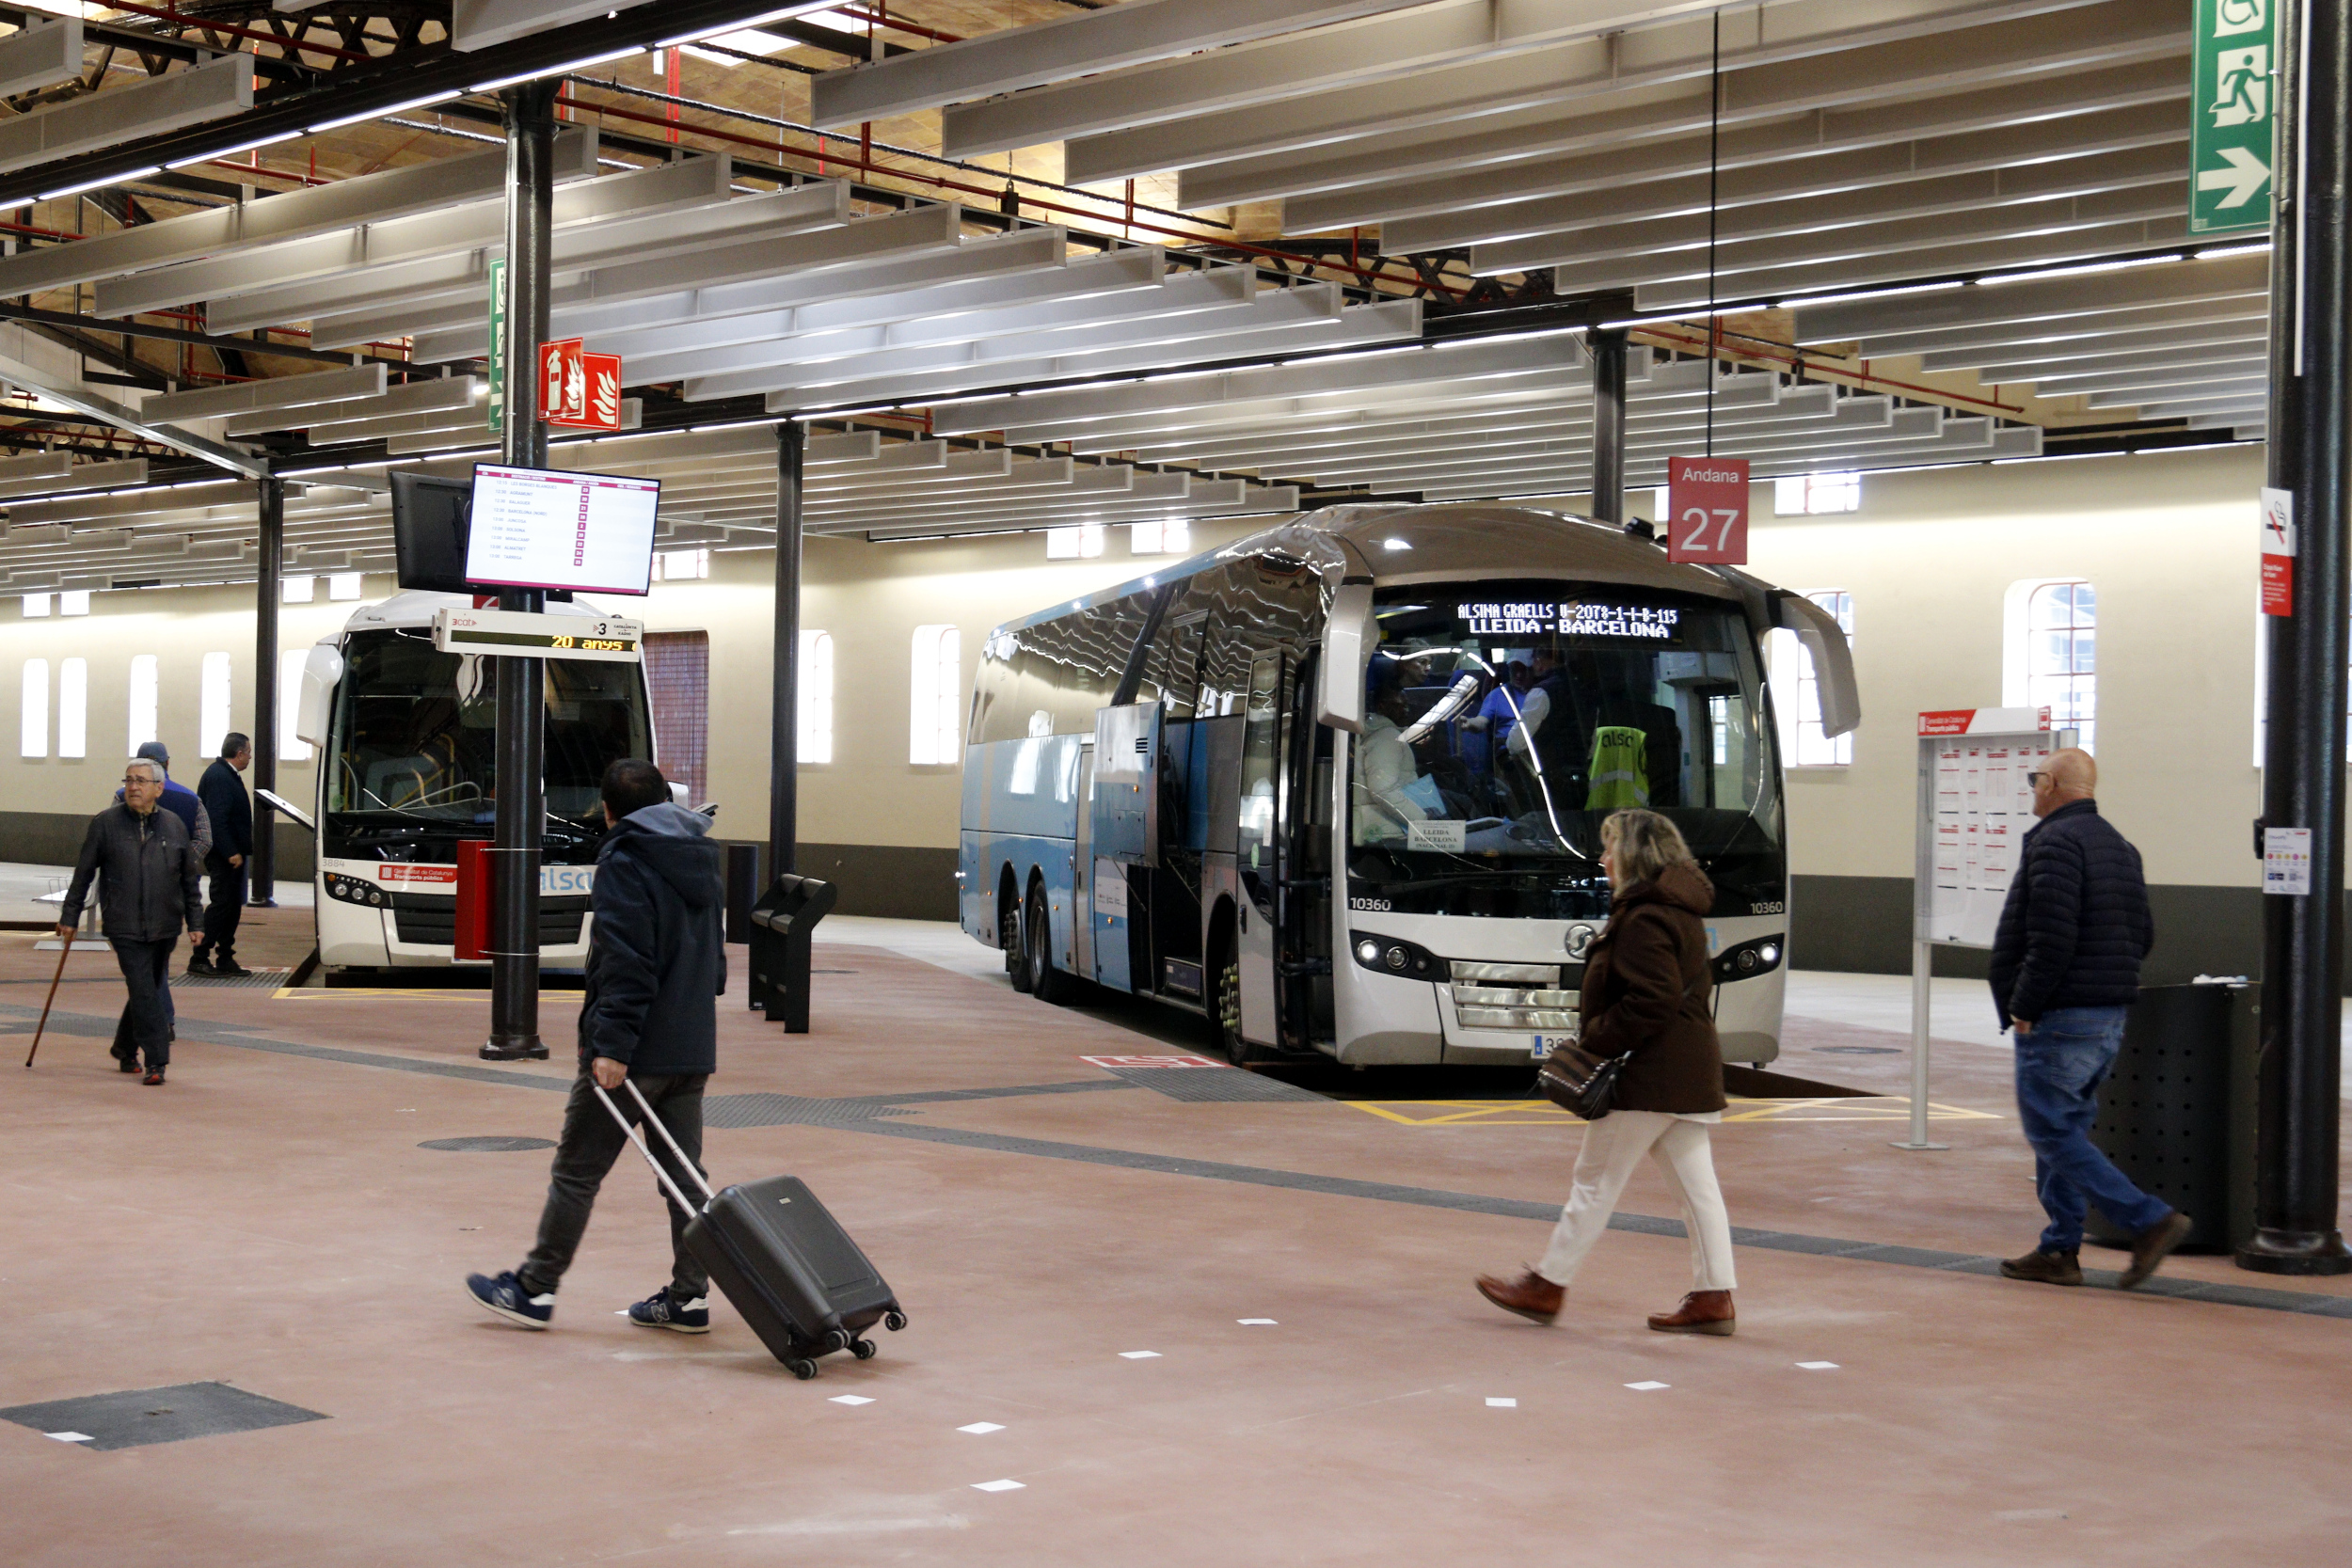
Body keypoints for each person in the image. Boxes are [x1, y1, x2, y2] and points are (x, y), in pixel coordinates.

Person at [467, 758, 727, 1333]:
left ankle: (535, 1289)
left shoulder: (626, 860)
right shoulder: (700, 856)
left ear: (608, 812)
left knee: (577, 1172)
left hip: (634, 1053)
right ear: (667, 800)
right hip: (691, 1045)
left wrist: (612, 1046)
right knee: (684, 1178)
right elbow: (714, 961)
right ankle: (690, 1297)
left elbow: (626, 961)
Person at [1475, 808, 1740, 1335]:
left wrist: (1596, 1040)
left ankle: (1547, 1286)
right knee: (1697, 1191)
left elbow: (1652, 1000)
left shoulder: (1644, 918)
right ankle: (1714, 1296)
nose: (1602, 859)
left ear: (1633, 854)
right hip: (1686, 1072)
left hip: (1648, 1076)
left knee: (1594, 1182)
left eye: (1609, 847)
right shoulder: (1679, 910)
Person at [1989, 747, 2190, 1290]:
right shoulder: (2120, 847)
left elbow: (2051, 938)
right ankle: (2060, 1249)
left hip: (2061, 1015)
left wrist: (2025, 1004)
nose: (2033, 788)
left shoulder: (2057, 842)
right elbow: (2142, 935)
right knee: (2065, 1128)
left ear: (2052, 784)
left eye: (2036, 779)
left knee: (2049, 1130)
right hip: (2106, 1014)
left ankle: (2148, 1219)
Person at [59, 758, 205, 1085]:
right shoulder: (105, 824)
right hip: (123, 923)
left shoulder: (174, 826)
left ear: (159, 788)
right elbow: (84, 873)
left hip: (165, 924)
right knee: (143, 988)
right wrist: (70, 916)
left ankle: (124, 1048)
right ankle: (157, 1061)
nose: (133, 787)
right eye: (129, 780)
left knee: (146, 988)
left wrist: (196, 921)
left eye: (140, 781)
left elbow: (188, 880)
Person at [192, 733, 254, 977]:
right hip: (223, 855)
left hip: (232, 854)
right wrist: (230, 851)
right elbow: (216, 819)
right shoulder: (219, 776)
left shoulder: (228, 775)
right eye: (248, 752)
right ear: (239, 754)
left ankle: (225, 957)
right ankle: (199, 957)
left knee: (231, 907)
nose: (250, 757)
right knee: (221, 906)